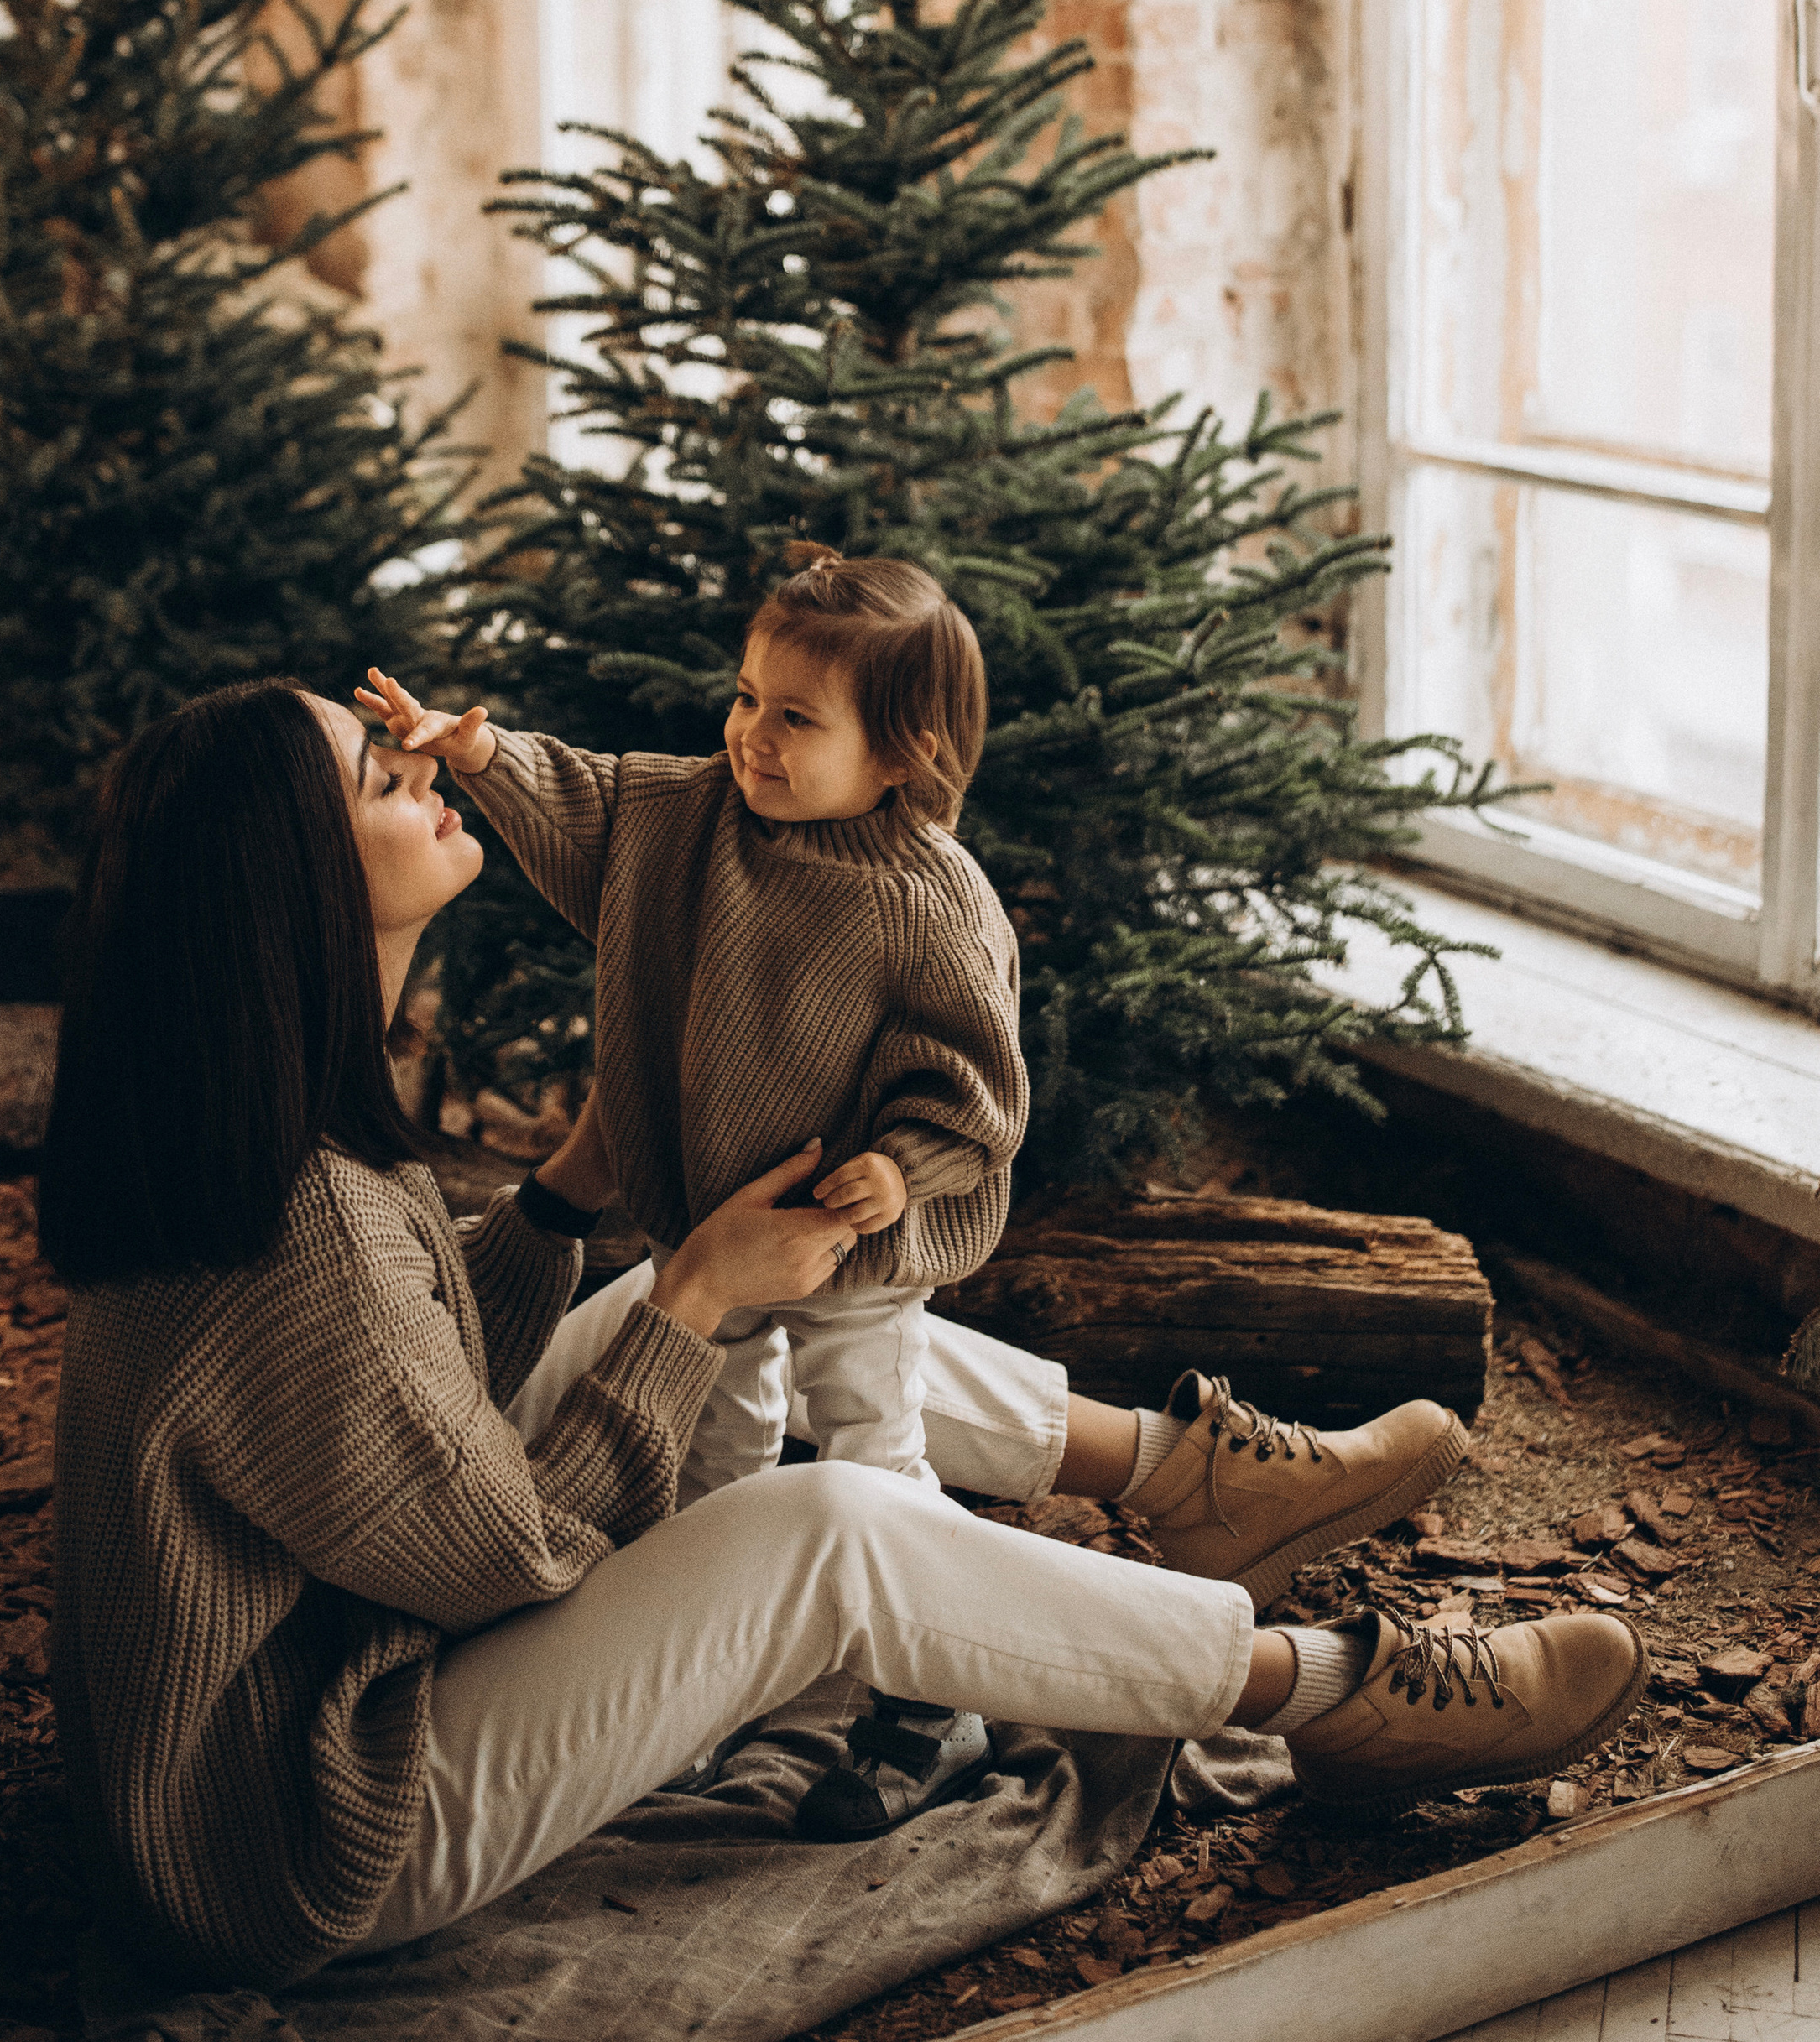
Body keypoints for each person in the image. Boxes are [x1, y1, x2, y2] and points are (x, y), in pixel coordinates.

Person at [41, 679, 1649, 1997]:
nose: (422, 762)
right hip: (310, 1828)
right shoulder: (299, 1218)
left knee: (731, 1297)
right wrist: (691, 1296)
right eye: (377, 775)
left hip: (338, 1670)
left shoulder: (255, 1137)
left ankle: (1183, 1476)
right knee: (828, 1526)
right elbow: (507, 1556)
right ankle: (1324, 1694)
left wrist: (566, 1197)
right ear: (296, 891)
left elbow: (407, 1386)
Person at [357, 547, 1469, 1836]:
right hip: (706, 1238)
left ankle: (928, 1704)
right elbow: (594, 801)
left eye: (796, 716)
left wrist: (901, 1166)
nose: (750, 734)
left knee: (874, 1456)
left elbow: (977, 1083)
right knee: (710, 1458)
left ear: (903, 752)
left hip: (847, 1250)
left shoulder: (924, 899)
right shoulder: (692, 815)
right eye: (746, 695)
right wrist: (485, 757)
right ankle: (698, 1693)